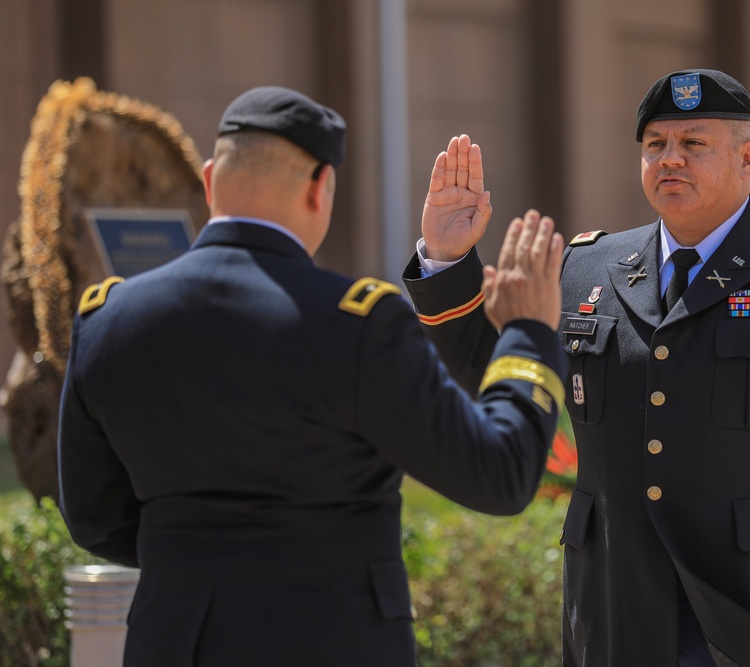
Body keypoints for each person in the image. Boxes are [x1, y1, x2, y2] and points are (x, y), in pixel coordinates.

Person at [405, 69, 750, 667]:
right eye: (655, 146)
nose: (671, 160)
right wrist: (447, 257)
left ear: (748, 157)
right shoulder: (588, 269)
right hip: (614, 609)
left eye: (694, 145)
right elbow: (496, 381)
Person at [57, 85, 567, 666]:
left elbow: (96, 519)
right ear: (320, 186)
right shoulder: (357, 325)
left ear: (208, 180)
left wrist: (196, 562)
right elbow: (497, 475)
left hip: (173, 643)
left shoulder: (108, 319)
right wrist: (527, 330)